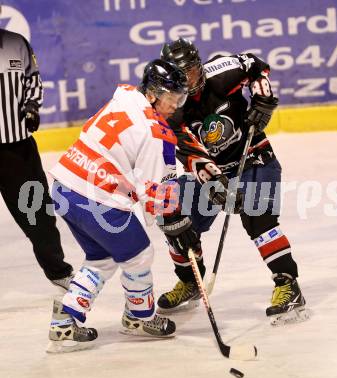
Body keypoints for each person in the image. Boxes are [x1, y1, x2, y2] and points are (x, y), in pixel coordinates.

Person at [46, 59, 211, 353]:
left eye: (180, 97)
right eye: (170, 97)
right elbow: (156, 196)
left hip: (63, 186)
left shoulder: (124, 97)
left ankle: (65, 318)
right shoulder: (157, 133)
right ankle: (140, 317)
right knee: (139, 254)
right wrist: (177, 223)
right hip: (94, 197)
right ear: (151, 94)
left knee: (103, 257)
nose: (175, 104)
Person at [158, 38, 308, 325]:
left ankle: (288, 284)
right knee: (176, 220)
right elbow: (188, 151)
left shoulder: (221, 72)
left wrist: (263, 98)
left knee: (258, 218)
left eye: (189, 71)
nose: (186, 80)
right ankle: (191, 280)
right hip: (210, 169)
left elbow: (255, 65)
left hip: (253, 157)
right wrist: (214, 182)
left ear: (199, 66)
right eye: (179, 76)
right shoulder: (170, 110)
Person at [0, 28, 73, 291]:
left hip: (17, 150)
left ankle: (58, 271)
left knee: (38, 214)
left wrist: (31, 107)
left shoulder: (16, 43)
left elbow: (32, 80)